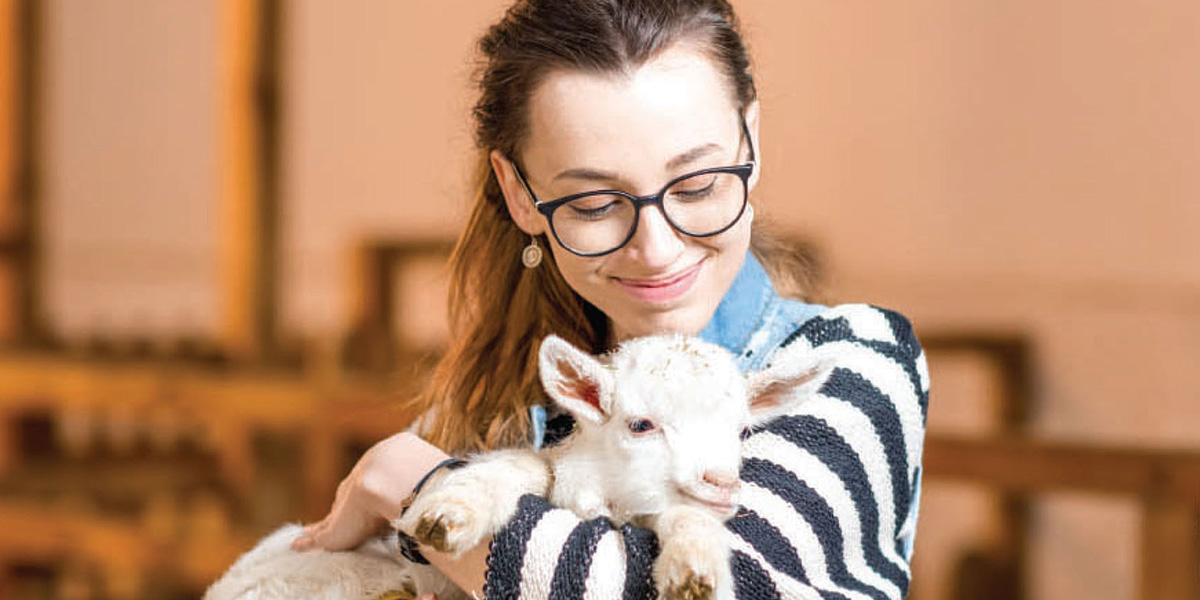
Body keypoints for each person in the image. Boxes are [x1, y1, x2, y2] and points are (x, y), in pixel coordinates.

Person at [221, 0, 929, 598]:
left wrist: (410, 483)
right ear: (519, 193)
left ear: (750, 138)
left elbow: (741, 586)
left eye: (698, 184)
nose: (656, 247)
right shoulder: (489, 410)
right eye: (594, 202)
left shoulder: (848, 366)